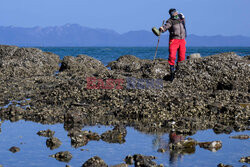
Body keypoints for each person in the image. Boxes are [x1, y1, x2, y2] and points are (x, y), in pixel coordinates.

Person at [159, 8, 187, 81]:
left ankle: (180, 72)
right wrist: (162, 29)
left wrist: (182, 17)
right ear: (170, 14)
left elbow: (184, 21)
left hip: (182, 40)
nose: (174, 13)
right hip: (174, 40)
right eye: (173, 13)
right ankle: (171, 72)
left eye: (175, 12)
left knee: (182, 57)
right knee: (172, 56)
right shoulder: (170, 21)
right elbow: (166, 26)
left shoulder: (181, 18)